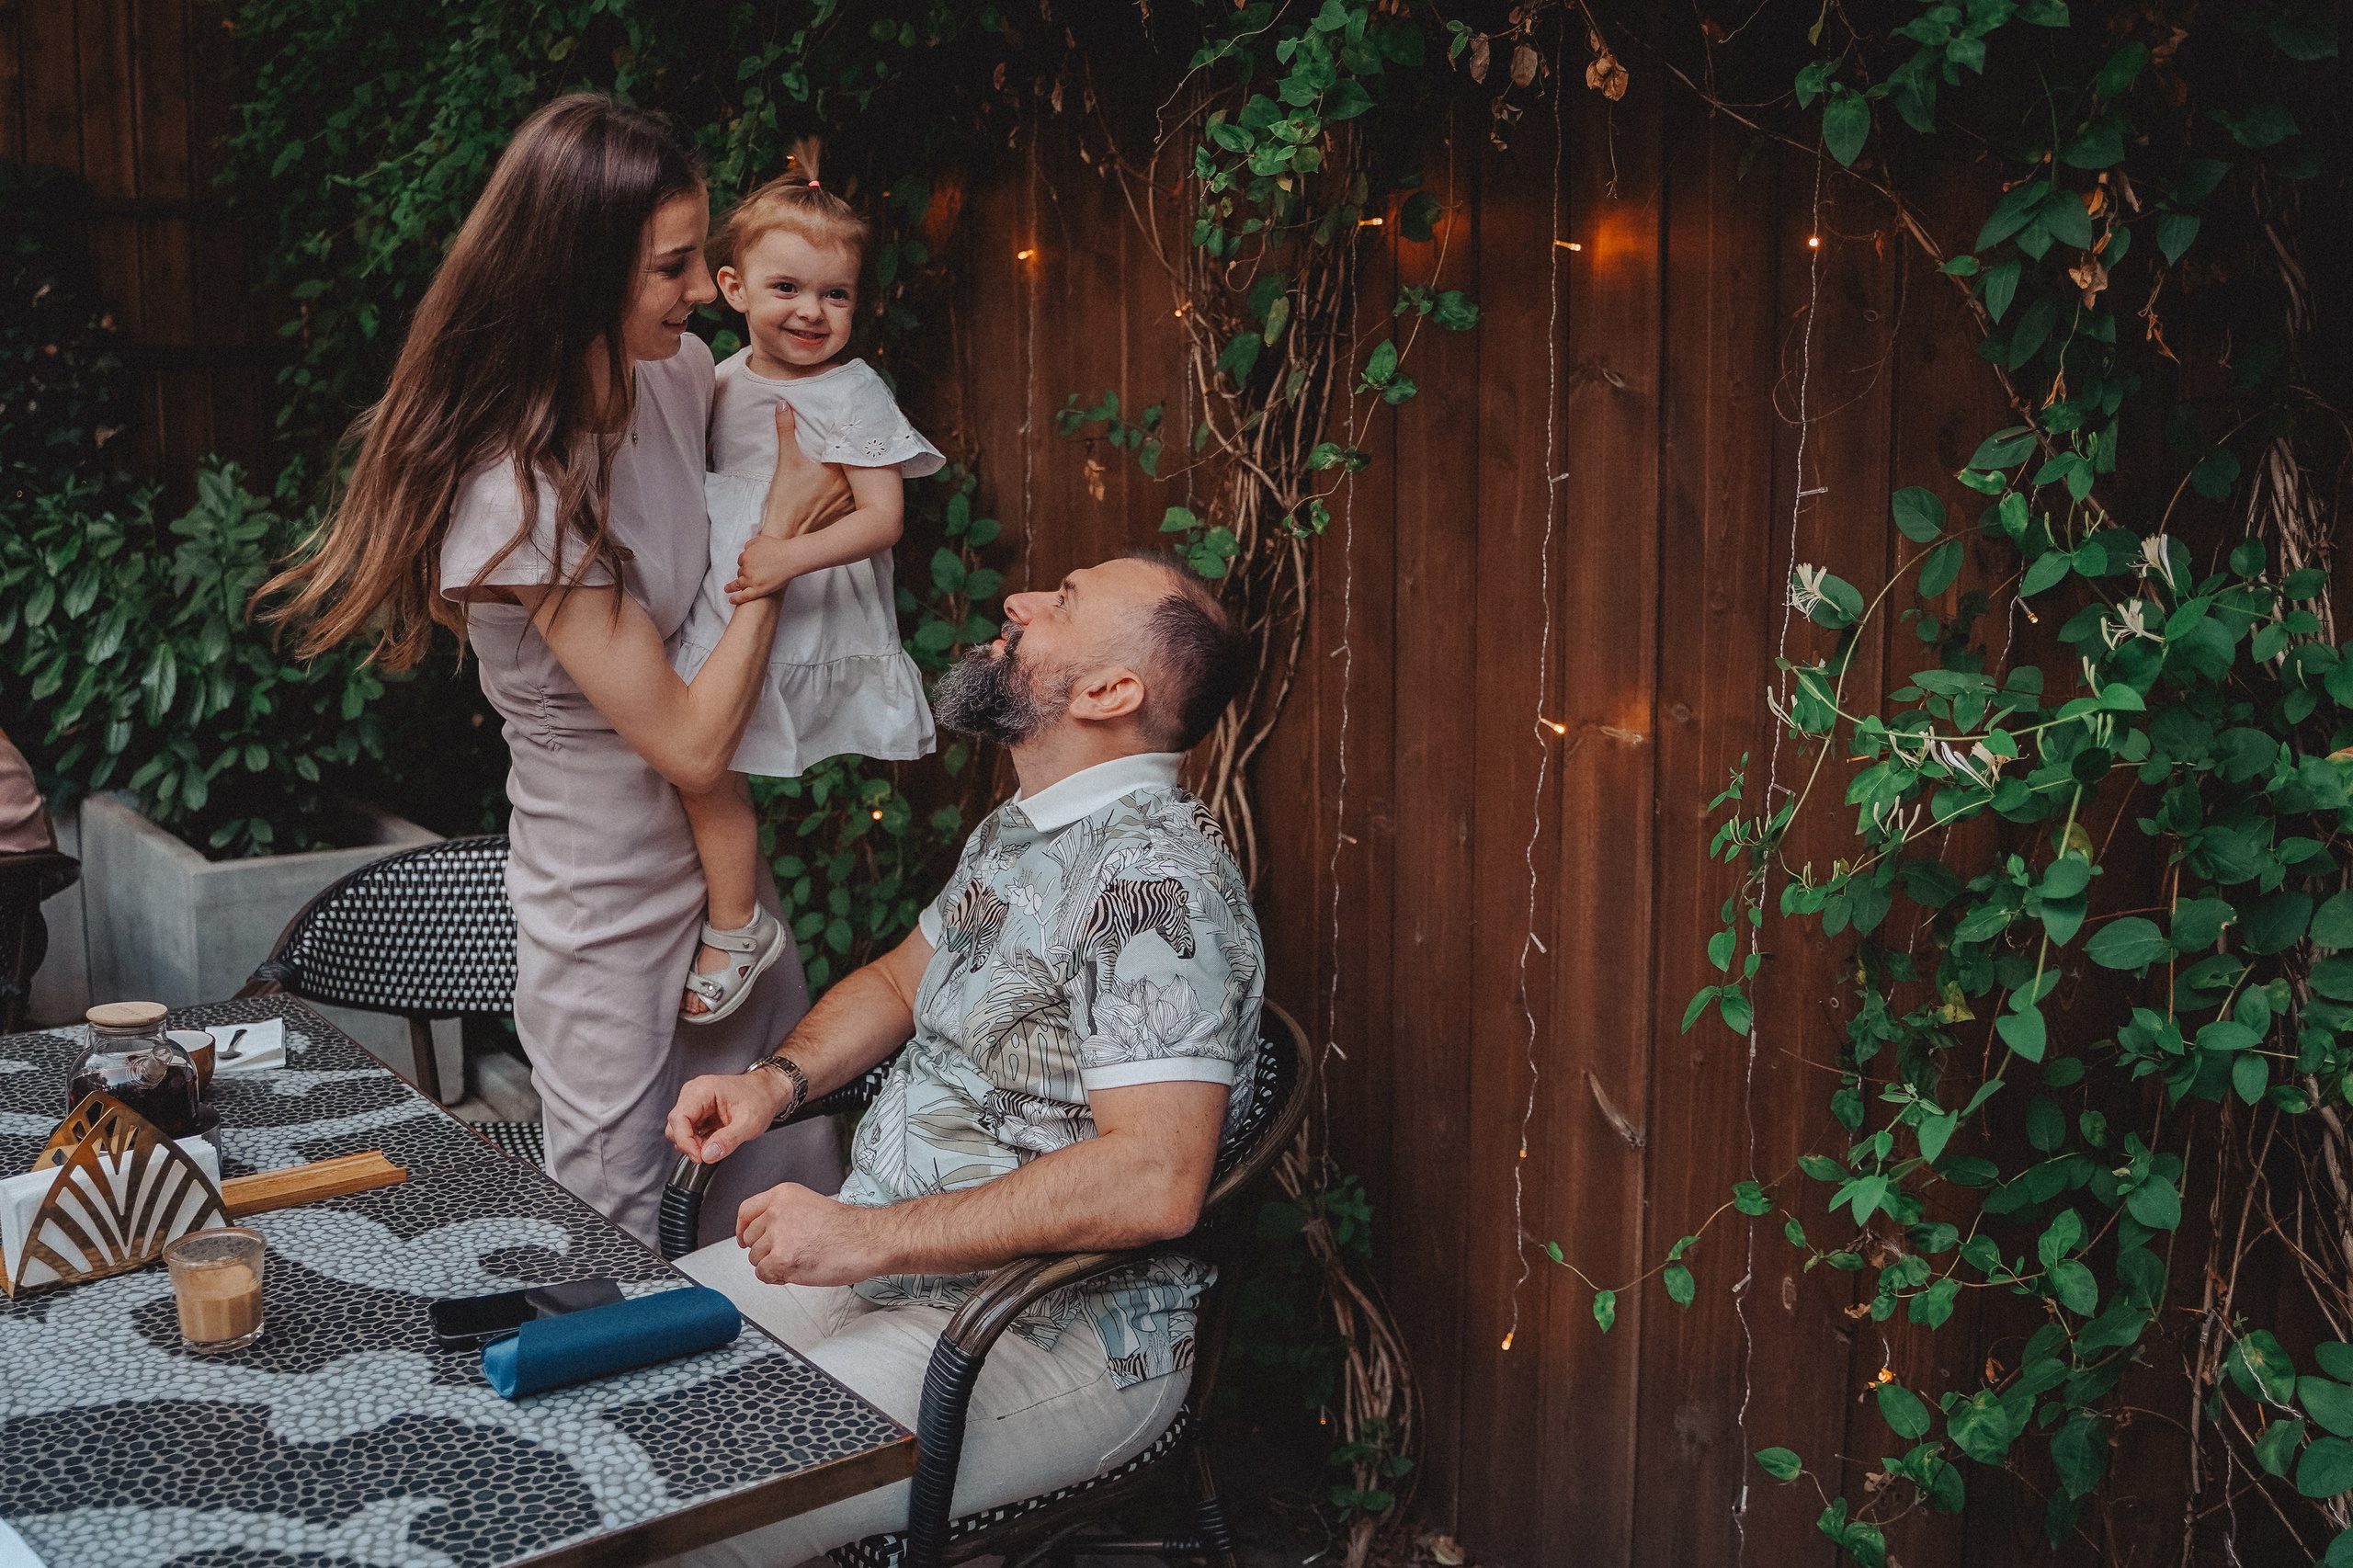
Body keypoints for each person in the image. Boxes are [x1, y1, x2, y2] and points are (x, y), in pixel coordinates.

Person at [259, 95, 844, 1246]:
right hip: (604, 897)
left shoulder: (675, 375)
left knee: (777, 1178)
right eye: (674, 265)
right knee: (613, 1218)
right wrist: (775, 562)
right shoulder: (512, 484)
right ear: (578, 272)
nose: (699, 288)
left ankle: (779, 1426)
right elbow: (683, 737)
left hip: (725, 876)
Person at [659, 551, 1259, 1562]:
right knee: (591, 1393)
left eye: (1061, 604)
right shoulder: (1025, 831)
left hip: (1044, 1333)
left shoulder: (1157, 886)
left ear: (1111, 691)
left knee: (679, 1506)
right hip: (890, 1266)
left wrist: (868, 1234)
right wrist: (774, 1080)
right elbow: (900, 981)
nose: (1018, 602)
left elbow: (1155, 1178)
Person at [669, 139, 941, 1026]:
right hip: (731, 595)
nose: (812, 312)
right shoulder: (715, 378)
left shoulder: (853, 393)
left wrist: (786, 557)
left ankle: (730, 920)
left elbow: (882, 517)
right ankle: (736, 918)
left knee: (707, 763)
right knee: (700, 767)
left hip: (804, 606)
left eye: (836, 295)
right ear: (734, 287)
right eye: (787, 288)